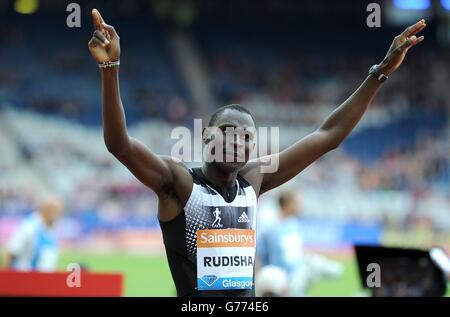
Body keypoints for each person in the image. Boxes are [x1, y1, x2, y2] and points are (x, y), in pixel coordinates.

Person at [87, 8, 426, 297]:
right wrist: (110, 68)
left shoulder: (254, 179)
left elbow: (328, 135)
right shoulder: (179, 183)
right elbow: (121, 145)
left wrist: (380, 72)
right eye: (228, 134)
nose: (237, 143)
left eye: (246, 138)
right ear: (206, 137)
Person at [258, 190, 343, 296]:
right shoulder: (271, 229)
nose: (301, 205)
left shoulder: (293, 224)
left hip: (297, 282)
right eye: (297, 202)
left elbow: (296, 252)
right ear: (287, 204)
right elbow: (260, 256)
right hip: (280, 284)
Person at [3, 195, 64, 272]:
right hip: (25, 279)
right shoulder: (29, 227)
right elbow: (11, 252)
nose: (54, 213)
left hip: (42, 280)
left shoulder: (52, 229)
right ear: (43, 209)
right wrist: (5, 280)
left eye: (57, 210)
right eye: (51, 209)